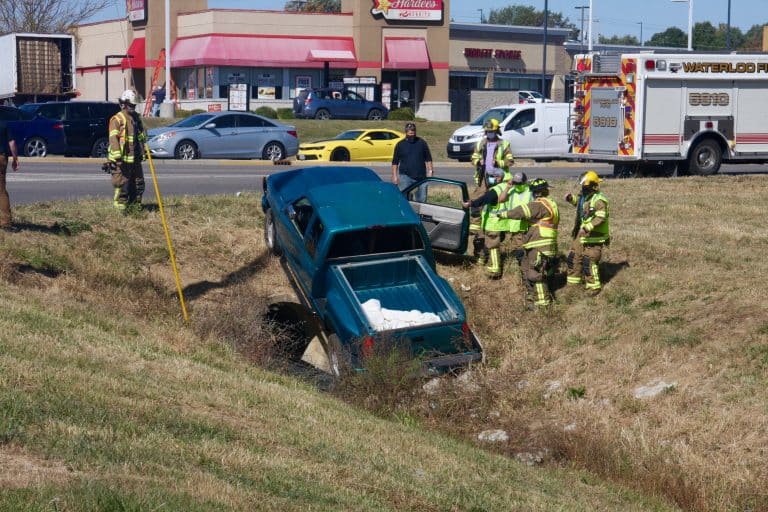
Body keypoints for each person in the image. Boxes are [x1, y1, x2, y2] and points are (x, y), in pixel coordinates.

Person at [499, 178, 559, 307]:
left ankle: (543, 306)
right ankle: (532, 297)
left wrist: (502, 214)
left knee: (536, 274)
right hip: (542, 244)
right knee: (528, 269)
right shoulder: (551, 203)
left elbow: (520, 211)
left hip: (539, 244)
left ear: (536, 193)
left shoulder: (539, 204)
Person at [469, 118, 515, 263]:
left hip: (498, 179)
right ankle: (476, 229)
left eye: (491, 132)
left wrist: (498, 162)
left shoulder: (504, 144)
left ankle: (498, 230)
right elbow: (473, 157)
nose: (489, 134)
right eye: (487, 132)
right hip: (483, 178)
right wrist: (478, 162)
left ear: (496, 131)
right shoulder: (481, 143)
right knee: (477, 202)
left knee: (496, 203)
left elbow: (510, 161)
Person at [462, 168, 514, 279]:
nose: (489, 178)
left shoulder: (495, 190)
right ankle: (482, 260)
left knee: (493, 246)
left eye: (491, 176)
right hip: (501, 222)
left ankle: (495, 269)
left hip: (494, 223)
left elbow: (484, 199)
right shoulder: (505, 187)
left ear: (498, 178)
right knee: (488, 243)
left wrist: (471, 203)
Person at [565, 170, 610, 295]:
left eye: (584, 186)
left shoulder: (599, 200)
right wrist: (571, 199)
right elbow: (582, 207)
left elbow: (600, 218)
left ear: (592, 186)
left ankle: (593, 287)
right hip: (583, 234)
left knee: (589, 260)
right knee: (573, 257)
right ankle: (573, 285)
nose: (583, 188)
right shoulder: (585, 196)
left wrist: (587, 227)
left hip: (594, 235)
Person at [108, 89, 147, 211]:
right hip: (122, 160)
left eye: (134, 105)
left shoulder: (136, 119)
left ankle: (135, 207)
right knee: (122, 185)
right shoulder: (117, 119)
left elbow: (141, 137)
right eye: (130, 105)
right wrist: (117, 157)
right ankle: (121, 210)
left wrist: (143, 151)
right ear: (123, 104)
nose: (133, 108)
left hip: (135, 158)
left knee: (138, 184)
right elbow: (113, 139)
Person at [392, 122, 433, 203]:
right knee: (404, 198)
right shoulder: (400, 145)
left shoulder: (422, 143)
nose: (412, 134)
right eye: (410, 132)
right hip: (405, 176)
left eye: (413, 132)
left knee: (422, 199)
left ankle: (420, 215)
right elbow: (395, 162)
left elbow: (428, 158)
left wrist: (430, 171)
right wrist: (394, 176)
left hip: (421, 176)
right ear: (406, 132)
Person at [0, 118, 20, 232]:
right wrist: (15, 159)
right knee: (1, 191)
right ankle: (6, 223)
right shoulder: (3, 124)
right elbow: (12, 142)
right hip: (1, 156)